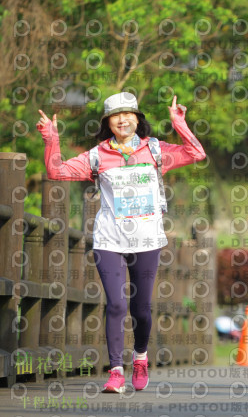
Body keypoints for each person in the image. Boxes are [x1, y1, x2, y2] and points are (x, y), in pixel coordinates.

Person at [37, 92, 206, 393]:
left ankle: (140, 356)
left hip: (147, 239)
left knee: (141, 308)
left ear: (138, 119)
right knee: (115, 304)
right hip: (109, 239)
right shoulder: (97, 156)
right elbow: (56, 171)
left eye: (128, 114)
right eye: (116, 116)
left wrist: (179, 123)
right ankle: (115, 370)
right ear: (108, 123)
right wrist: (52, 138)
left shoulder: (155, 150)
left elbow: (196, 154)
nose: (123, 119)